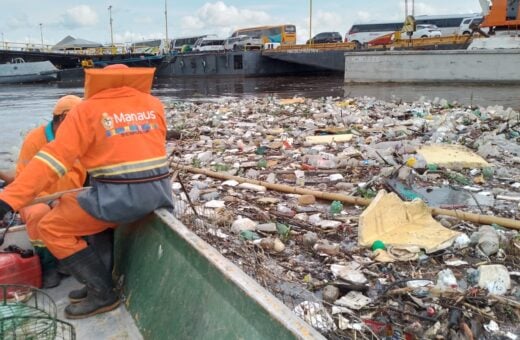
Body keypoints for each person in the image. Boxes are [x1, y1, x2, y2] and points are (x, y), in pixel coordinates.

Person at [0, 64, 173, 319]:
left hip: (120, 201)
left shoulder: (87, 110)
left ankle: (103, 293)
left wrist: (8, 200)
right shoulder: (153, 105)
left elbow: (50, 163)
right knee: (72, 201)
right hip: (160, 195)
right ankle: (96, 280)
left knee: (51, 227)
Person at [0, 95, 87, 288]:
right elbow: (24, 183)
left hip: (70, 196)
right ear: (63, 119)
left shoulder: (82, 139)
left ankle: (69, 261)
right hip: (36, 200)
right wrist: (50, 201)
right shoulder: (35, 139)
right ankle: (48, 266)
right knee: (40, 214)